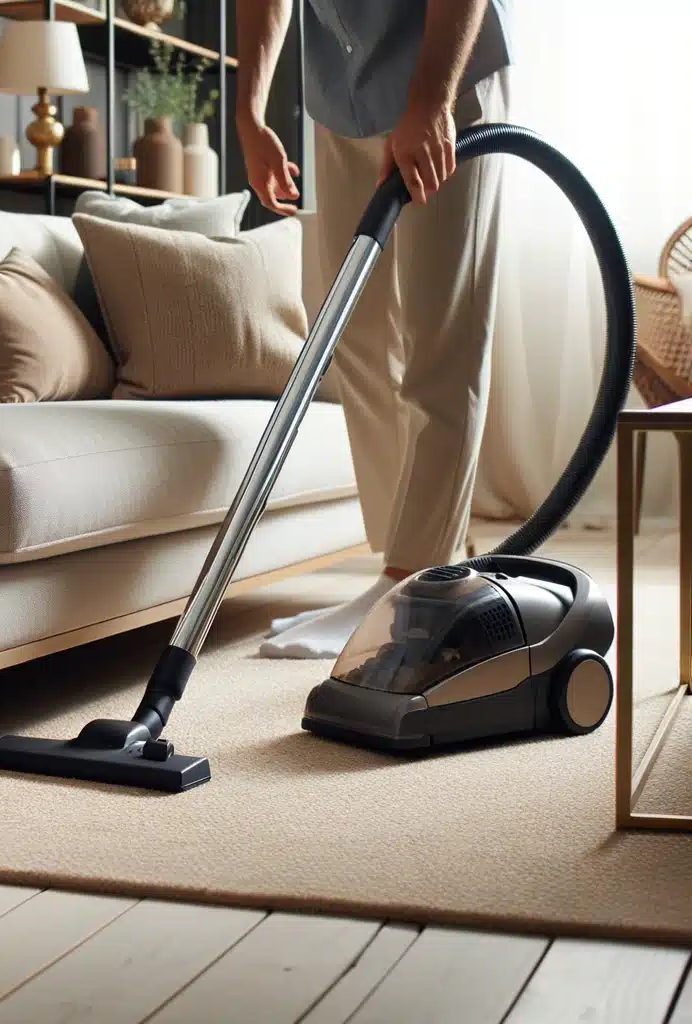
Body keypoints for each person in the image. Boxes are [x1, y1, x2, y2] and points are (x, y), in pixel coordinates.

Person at [235, 0, 513, 660]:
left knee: (439, 338)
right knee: (352, 339)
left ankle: (415, 583)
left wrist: (432, 98)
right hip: (343, 98)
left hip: (442, 80)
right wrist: (248, 115)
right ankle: (406, 569)